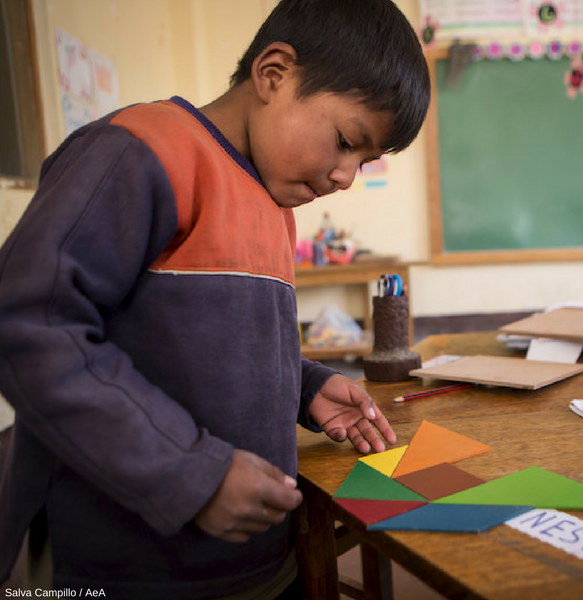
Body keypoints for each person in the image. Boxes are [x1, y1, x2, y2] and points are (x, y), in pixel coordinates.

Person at [0, 0, 430, 597]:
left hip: (253, 565)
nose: (346, 177)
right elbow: (31, 329)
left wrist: (304, 387)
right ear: (274, 73)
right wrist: (193, 473)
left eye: (365, 161)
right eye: (345, 141)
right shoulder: (138, 153)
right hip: (126, 572)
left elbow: (210, 345)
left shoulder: (275, 207)